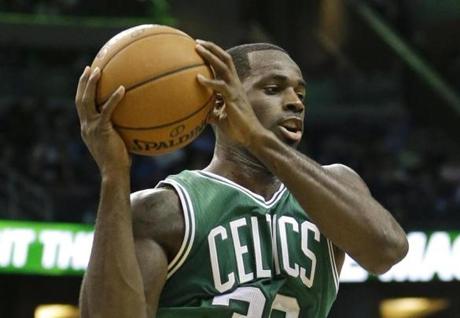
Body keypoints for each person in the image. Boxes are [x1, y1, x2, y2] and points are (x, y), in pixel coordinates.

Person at [75, 39, 408, 318]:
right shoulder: (162, 210)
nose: (294, 103)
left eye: (301, 94)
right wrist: (114, 174)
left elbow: (386, 251)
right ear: (221, 100)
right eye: (274, 89)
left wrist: (257, 138)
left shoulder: (336, 186)